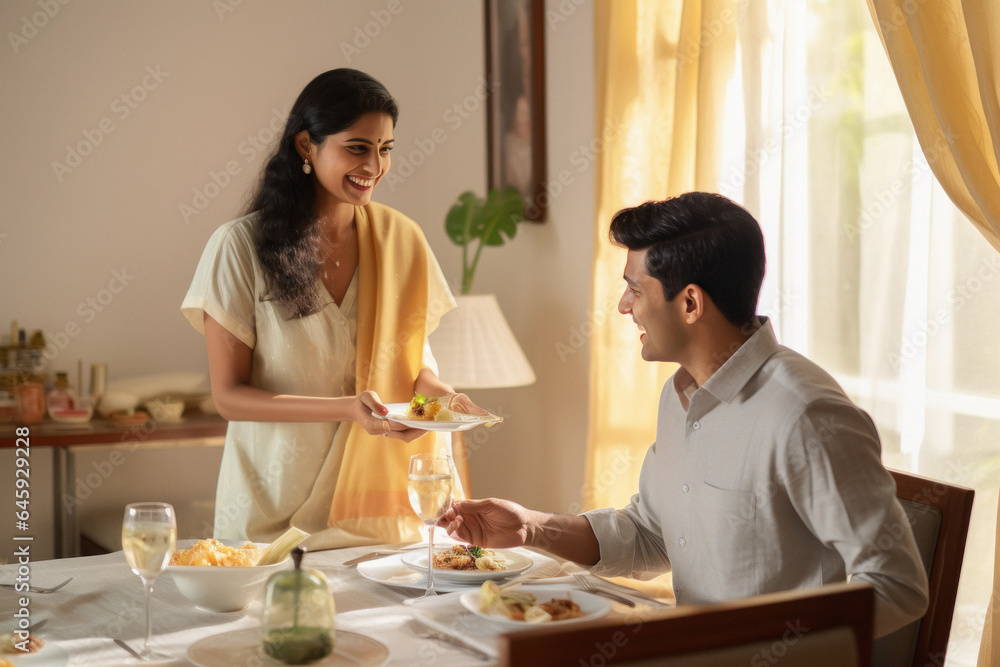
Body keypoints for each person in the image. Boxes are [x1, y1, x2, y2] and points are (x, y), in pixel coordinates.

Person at [439, 192, 929, 637]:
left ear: (690, 302)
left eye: (635, 288)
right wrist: (532, 528)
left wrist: (758, 644)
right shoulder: (680, 397)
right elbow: (652, 534)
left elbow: (898, 585)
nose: (623, 306)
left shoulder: (807, 415)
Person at [182, 68, 481, 545]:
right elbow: (229, 396)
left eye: (385, 149)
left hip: (377, 513)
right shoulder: (239, 248)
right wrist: (347, 408)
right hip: (272, 512)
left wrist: (444, 401)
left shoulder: (403, 241)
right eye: (357, 148)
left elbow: (413, 368)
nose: (374, 166)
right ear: (306, 145)